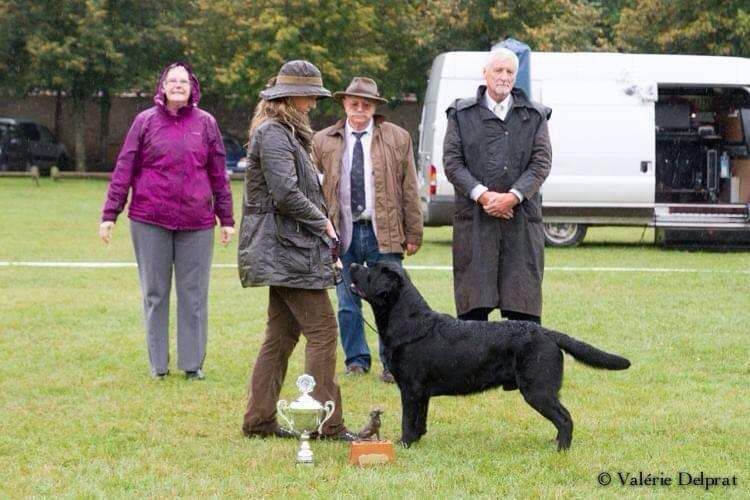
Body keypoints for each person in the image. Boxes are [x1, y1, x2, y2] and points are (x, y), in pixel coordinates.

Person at [239, 60, 356, 441]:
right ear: (292, 96)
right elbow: (286, 193)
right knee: (323, 330)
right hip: (285, 249)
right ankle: (329, 423)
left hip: (286, 248)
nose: (314, 104)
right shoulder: (274, 133)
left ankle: (258, 420)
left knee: (280, 336)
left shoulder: (285, 132)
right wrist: (322, 222)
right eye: (310, 97)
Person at [99, 61, 235, 380]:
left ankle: (192, 364)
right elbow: (124, 169)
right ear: (162, 87)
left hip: (197, 222)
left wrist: (226, 218)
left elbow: (218, 174)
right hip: (149, 219)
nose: (177, 85)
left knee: (194, 294)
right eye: (171, 81)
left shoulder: (206, 124)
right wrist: (110, 214)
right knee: (155, 293)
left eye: (183, 81)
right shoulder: (144, 122)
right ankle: (158, 365)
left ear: (192, 88)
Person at [313, 77, 423, 383]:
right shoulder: (323, 141)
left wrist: (413, 231)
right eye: (354, 103)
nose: (360, 109)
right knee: (347, 302)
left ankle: (392, 363)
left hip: (383, 232)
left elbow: (409, 188)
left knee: (393, 302)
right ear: (345, 104)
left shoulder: (398, 138)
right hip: (343, 233)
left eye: (366, 104)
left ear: (375, 107)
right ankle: (356, 360)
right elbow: (314, 190)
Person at [443, 48, 552, 324]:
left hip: (521, 223)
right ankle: (476, 369)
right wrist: (484, 196)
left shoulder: (535, 115)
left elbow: (541, 163)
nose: (504, 77)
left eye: (510, 72)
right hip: (476, 222)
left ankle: (521, 369)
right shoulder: (461, 114)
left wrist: (513, 197)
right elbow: (453, 163)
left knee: (522, 310)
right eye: (498, 70)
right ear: (485, 74)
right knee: (473, 313)